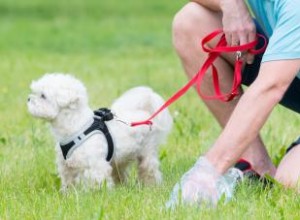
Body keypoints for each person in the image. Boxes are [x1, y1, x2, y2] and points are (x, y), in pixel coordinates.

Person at [166, 0, 300, 207]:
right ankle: (256, 167)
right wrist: (230, 5)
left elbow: (271, 87)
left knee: (292, 182)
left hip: (284, 71)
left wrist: (208, 171)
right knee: (191, 22)